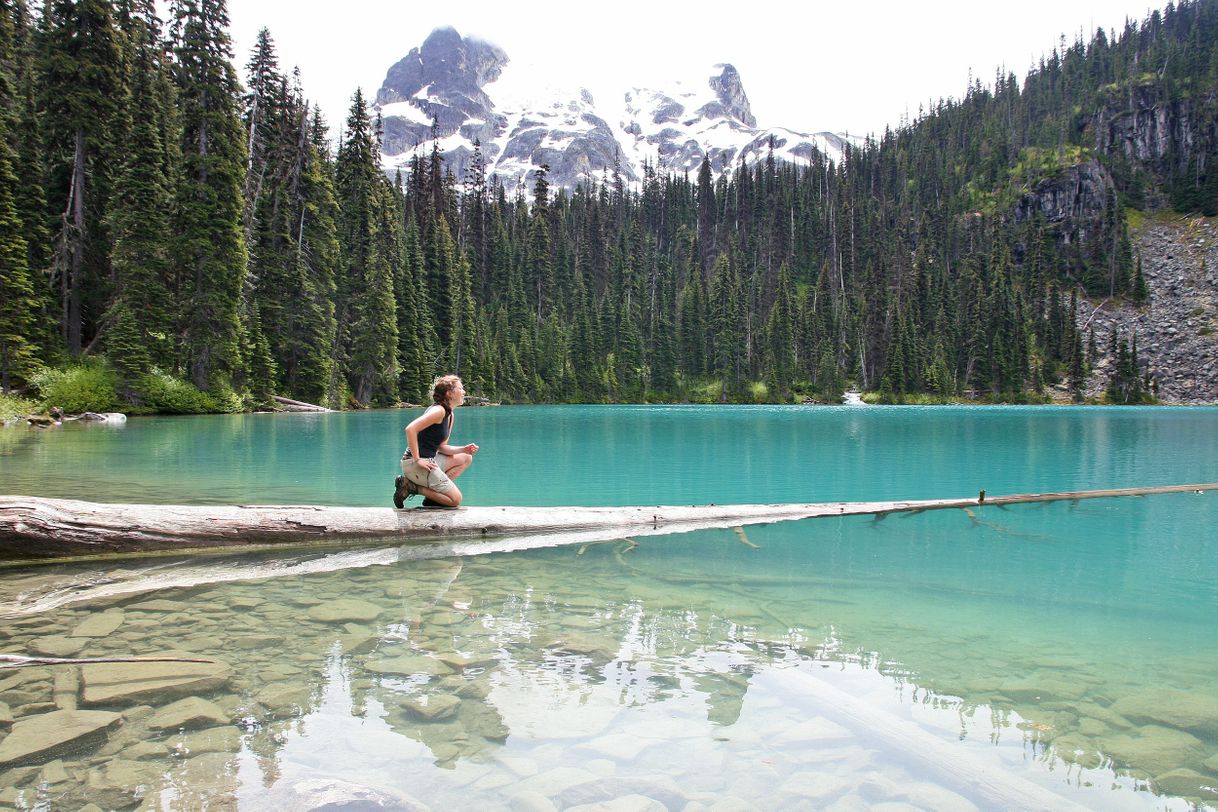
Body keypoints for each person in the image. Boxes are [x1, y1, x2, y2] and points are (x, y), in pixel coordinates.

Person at [394, 375, 479, 508]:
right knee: (455, 500)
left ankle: (433, 497)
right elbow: (410, 429)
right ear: (449, 393)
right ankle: (411, 487)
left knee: (466, 457)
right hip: (415, 463)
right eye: (461, 388)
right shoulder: (438, 411)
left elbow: (441, 447)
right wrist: (417, 459)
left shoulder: (450, 415)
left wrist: (463, 449)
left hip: (429, 460)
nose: (464, 392)